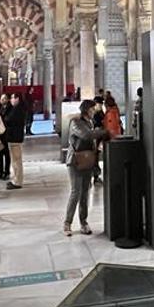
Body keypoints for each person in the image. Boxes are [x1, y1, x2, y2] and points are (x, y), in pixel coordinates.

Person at [64, 99, 111, 236]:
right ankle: (67, 223)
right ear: (86, 110)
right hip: (75, 162)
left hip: (87, 161)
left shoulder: (89, 122)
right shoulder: (76, 122)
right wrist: (103, 132)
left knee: (85, 193)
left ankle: (83, 222)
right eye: (92, 109)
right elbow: (86, 135)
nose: (94, 111)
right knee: (75, 192)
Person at [2, 92, 26, 190]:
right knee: (14, 160)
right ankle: (15, 178)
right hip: (13, 137)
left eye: (13, 98)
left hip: (15, 138)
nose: (11, 100)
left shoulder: (18, 110)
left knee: (16, 160)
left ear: (18, 99)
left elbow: (8, 119)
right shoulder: (15, 109)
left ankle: (17, 181)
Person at [0, 95, 12, 181]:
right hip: (0, 135)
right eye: (1, 98)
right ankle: (0, 172)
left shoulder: (10, 109)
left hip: (7, 135)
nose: (2, 100)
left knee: (6, 154)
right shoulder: (0, 109)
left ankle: (7, 172)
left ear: (8, 99)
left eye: (4, 98)